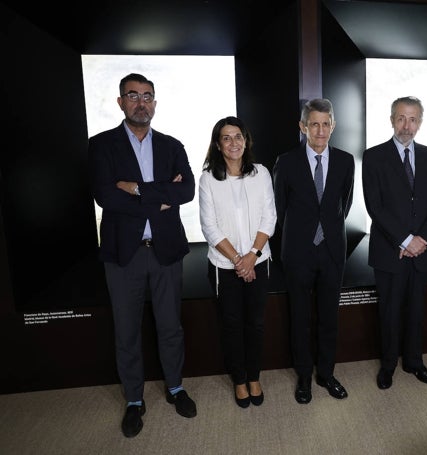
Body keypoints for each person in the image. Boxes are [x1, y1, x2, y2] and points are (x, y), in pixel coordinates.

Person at [89, 73, 197, 438]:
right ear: (121, 102)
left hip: (166, 250)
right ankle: (134, 399)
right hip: (125, 254)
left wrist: (136, 189)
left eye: (147, 96)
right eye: (133, 95)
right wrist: (160, 197)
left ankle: (175, 387)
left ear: (155, 102)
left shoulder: (172, 145)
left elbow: (187, 193)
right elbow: (107, 197)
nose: (141, 102)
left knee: (170, 327)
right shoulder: (101, 145)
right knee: (127, 331)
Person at [273, 98, 355, 404]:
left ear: (333, 126)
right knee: (300, 318)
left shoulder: (346, 161)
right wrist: (304, 236)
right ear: (303, 126)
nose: (320, 130)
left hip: (333, 251)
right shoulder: (286, 161)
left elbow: (342, 206)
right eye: (314, 124)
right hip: (298, 252)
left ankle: (326, 374)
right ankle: (304, 378)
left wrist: (326, 233)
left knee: (329, 318)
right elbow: (281, 210)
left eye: (326, 124)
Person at [362, 96, 427, 390]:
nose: (406, 125)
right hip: (390, 252)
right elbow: (375, 206)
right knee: (389, 312)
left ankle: (414, 362)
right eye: (400, 118)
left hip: (422, 251)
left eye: (412, 119)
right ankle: (388, 366)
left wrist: (422, 240)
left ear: (420, 122)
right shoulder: (373, 156)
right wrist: (406, 239)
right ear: (391, 120)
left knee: (416, 311)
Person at [198, 116, 276, 408]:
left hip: (259, 261)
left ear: (247, 140)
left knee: (255, 323)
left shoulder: (262, 173)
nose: (234, 143)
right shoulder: (208, 179)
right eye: (226, 138)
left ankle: (254, 376)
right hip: (223, 267)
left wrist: (252, 256)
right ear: (218, 145)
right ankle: (240, 380)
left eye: (238, 136)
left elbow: (270, 216)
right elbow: (209, 226)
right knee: (232, 325)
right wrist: (238, 261)